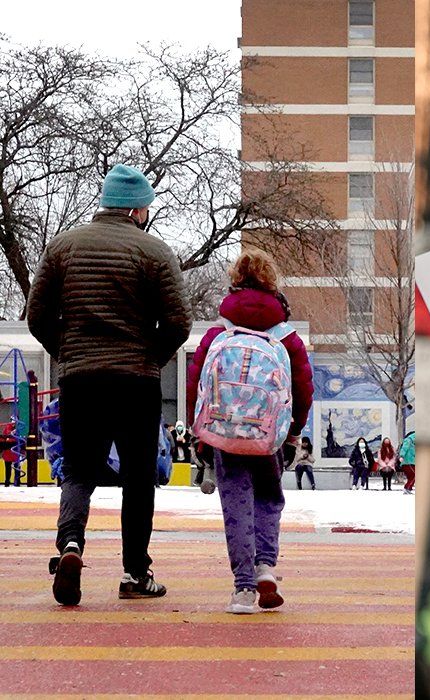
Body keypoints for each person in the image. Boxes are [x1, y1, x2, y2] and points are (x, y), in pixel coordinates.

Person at [27, 164, 191, 606]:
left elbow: (37, 315)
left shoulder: (63, 247)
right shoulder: (155, 252)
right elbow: (179, 322)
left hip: (81, 381)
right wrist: (150, 358)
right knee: (138, 477)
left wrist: (69, 352)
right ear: (139, 208)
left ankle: (70, 545)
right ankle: (136, 573)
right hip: (136, 382)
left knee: (79, 471)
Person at [187, 251, 313, 614]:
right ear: (272, 284)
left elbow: (196, 383)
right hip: (268, 435)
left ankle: (243, 588)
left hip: (225, 433)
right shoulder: (286, 338)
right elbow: (304, 389)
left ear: (235, 281)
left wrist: (201, 432)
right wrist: (292, 434)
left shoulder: (218, 333)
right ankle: (266, 568)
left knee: (236, 504)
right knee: (268, 499)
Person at [400, 430, 417, 494]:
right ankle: (406, 488)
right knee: (414, 475)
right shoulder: (409, 440)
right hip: (407, 461)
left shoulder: (414, 443)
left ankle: (409, 488)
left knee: (412, 476)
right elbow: (404, 448)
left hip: (412, 462)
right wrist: (401, 456)